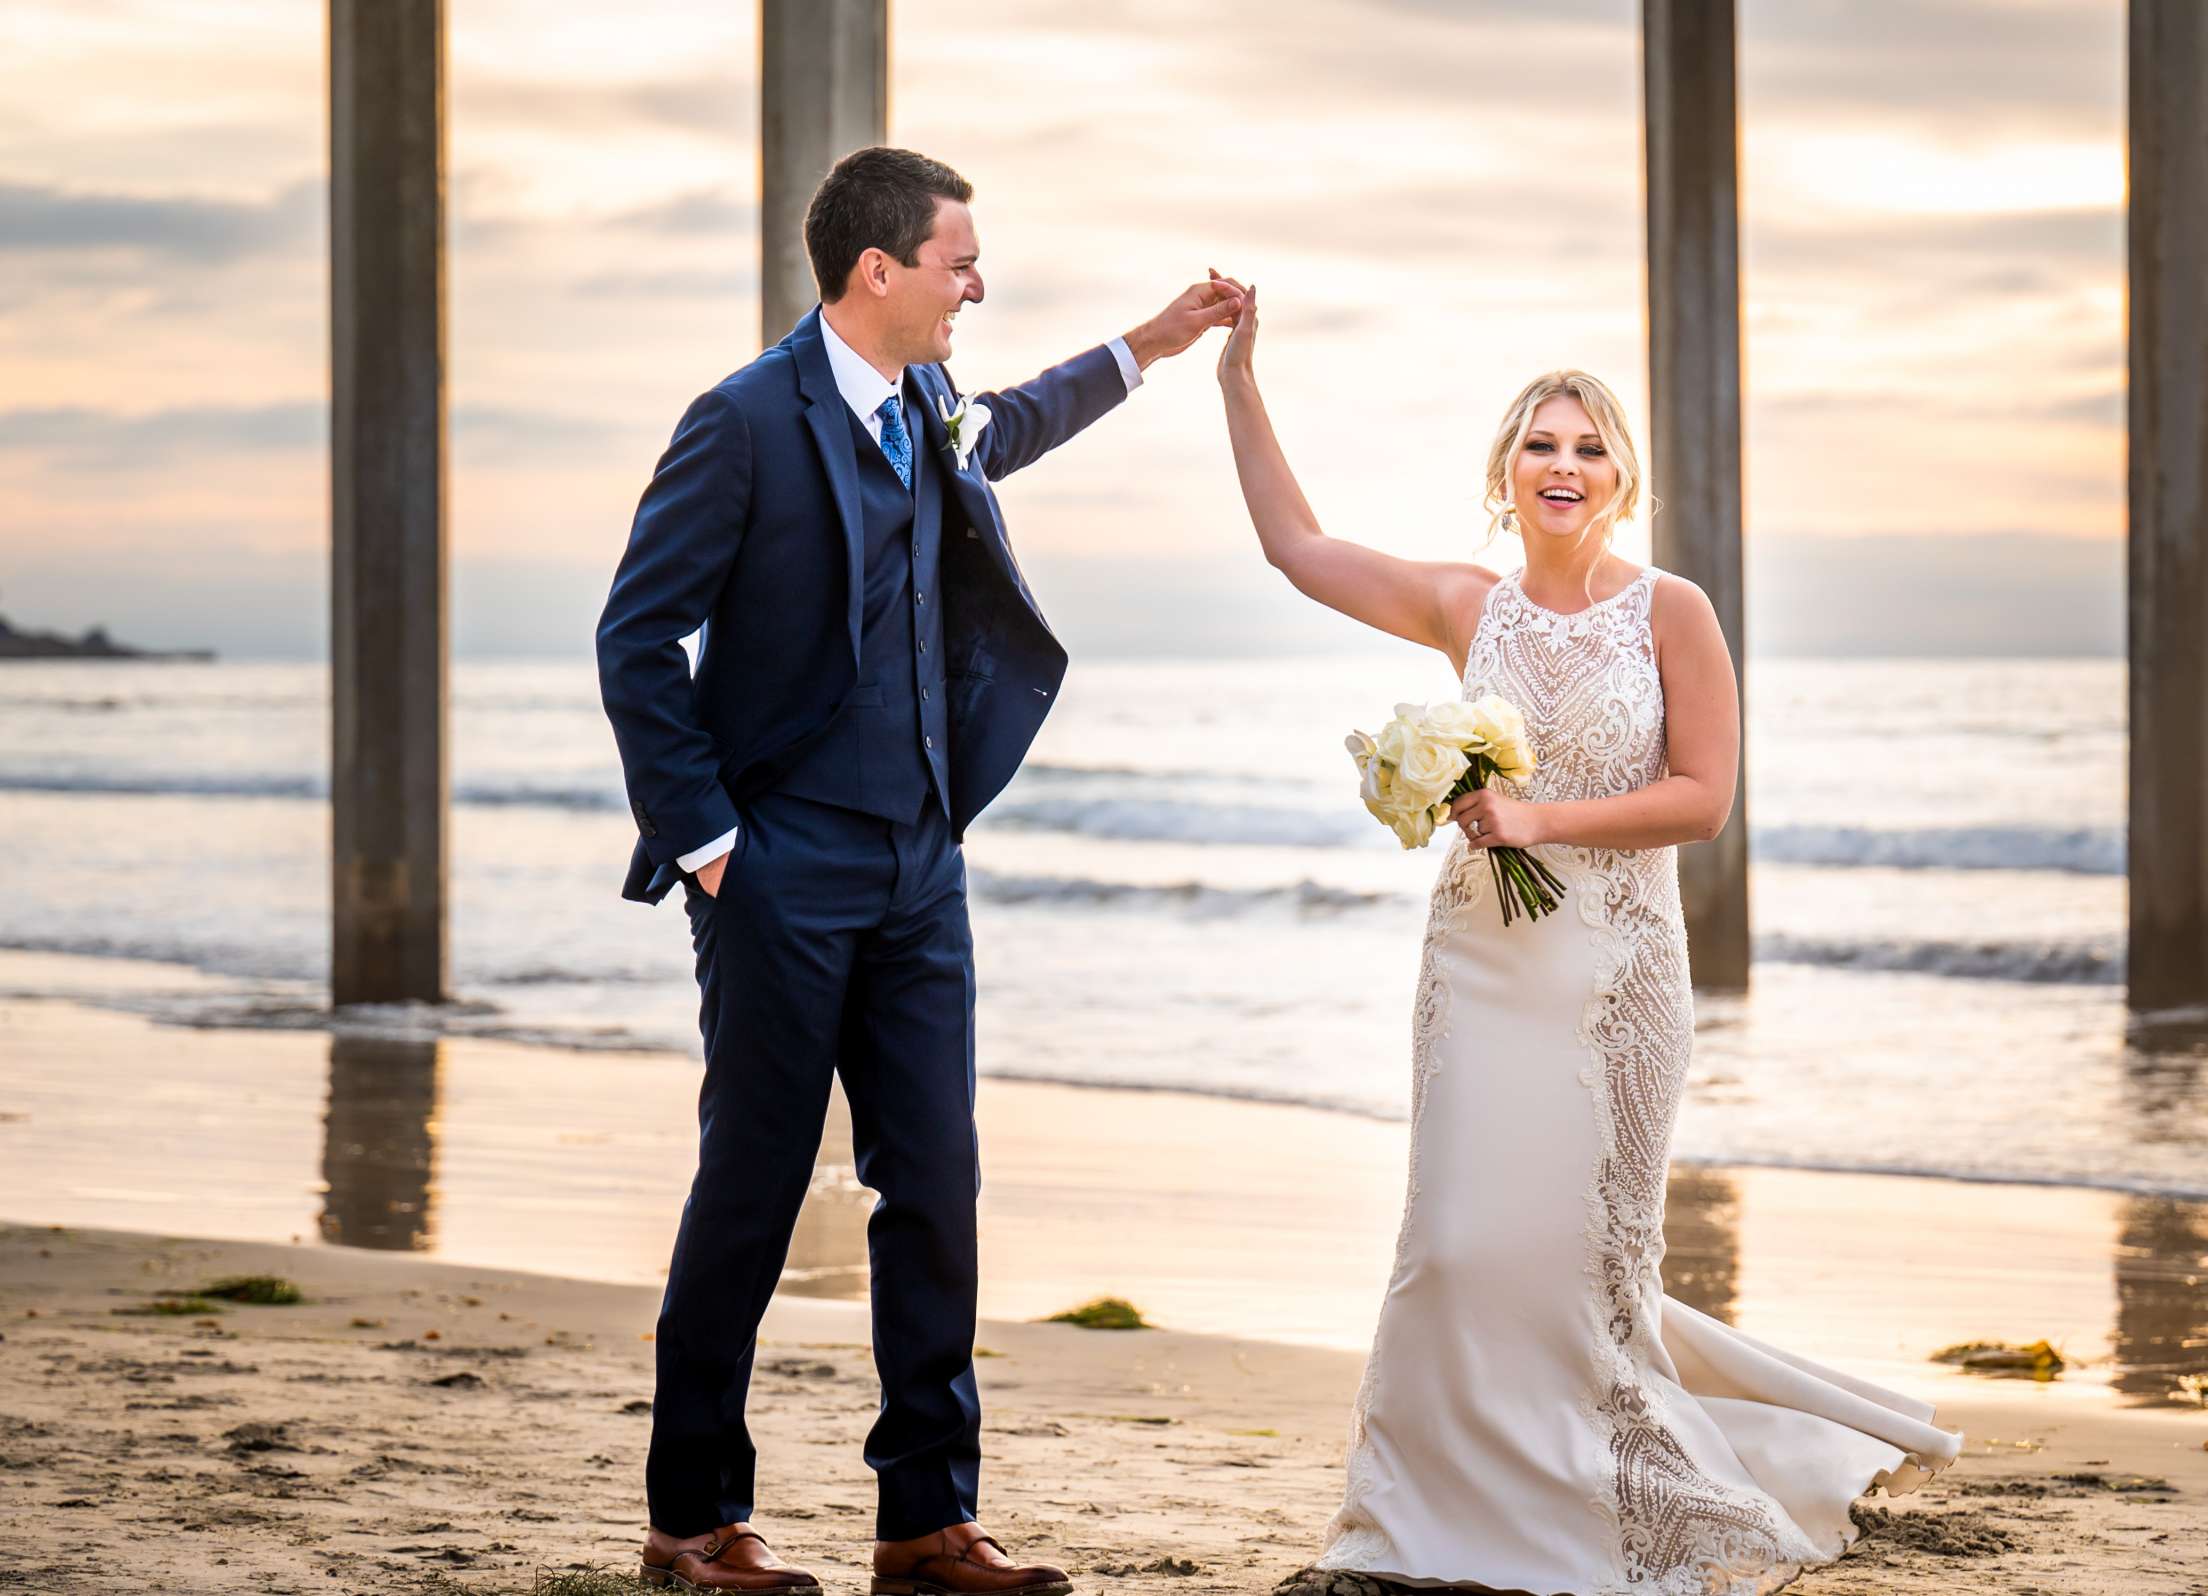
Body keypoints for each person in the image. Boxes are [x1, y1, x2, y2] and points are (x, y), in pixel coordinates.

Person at [1212, 276, 1964, 1595]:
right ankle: (1405, 1528)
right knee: (1450, 1243)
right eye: (1542, 443)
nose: (1565, 465)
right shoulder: (1464, 605)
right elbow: (1295, 547)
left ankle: (1606, 1509)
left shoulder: (1673, 611)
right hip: (1478, 969)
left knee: (1586, 1260)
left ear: (1620, 478)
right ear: (1505, 471)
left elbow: (1705, 796)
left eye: (1589, 445)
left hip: (1617, 979)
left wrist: (1540, 819)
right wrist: (1238, 381)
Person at [596, 146, 1239, 1596]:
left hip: (919, 865)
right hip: (779, 868)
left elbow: (1014, 422)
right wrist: (709, 850)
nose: (977, 283)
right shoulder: (748, 421)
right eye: (959, 260)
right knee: (752, 1191)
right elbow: (635, 638)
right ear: (875, 270)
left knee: (936, 1188)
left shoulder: (932, 401)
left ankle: (926, 1524)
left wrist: (1152, 342)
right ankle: (693, 1524)